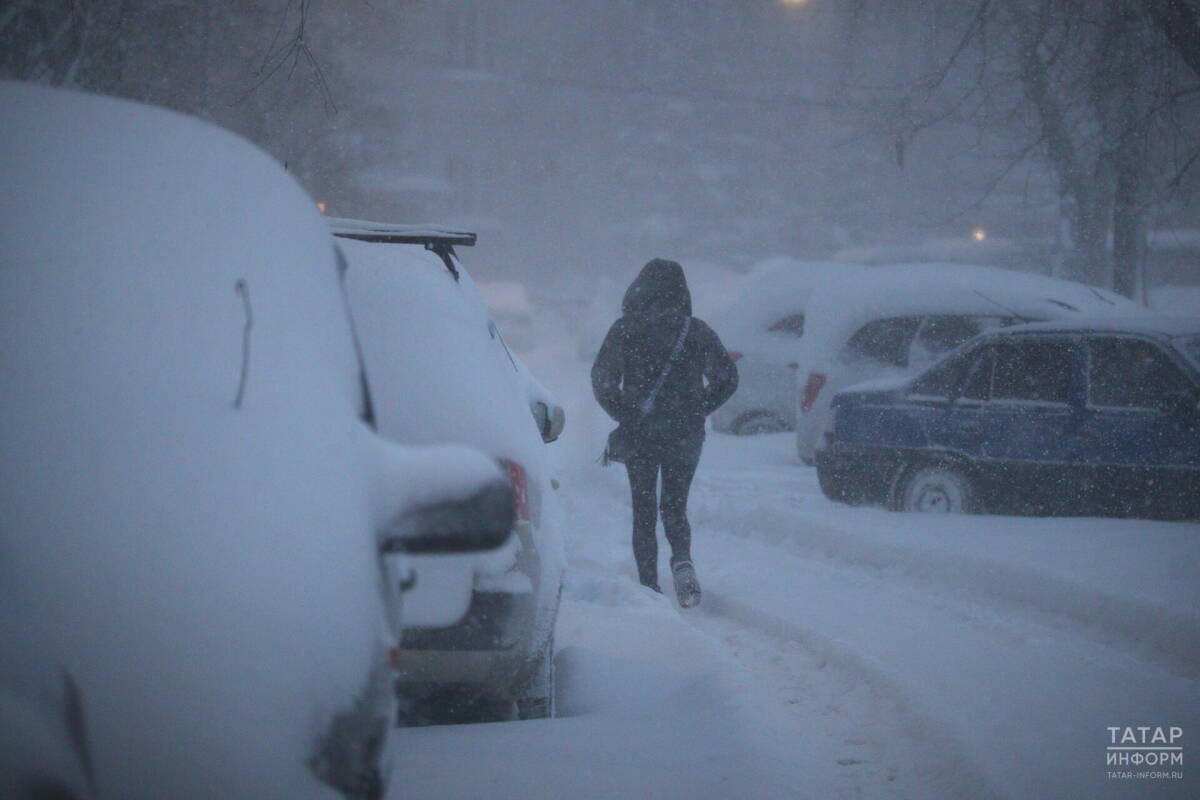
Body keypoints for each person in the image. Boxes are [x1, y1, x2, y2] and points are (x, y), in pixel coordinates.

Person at [591, 258, 738, 606]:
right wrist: (697, 408)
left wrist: (625, 413)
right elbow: (728, 378)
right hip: (685, 434)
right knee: (675, 506)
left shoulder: (626, 329)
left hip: (640, 434)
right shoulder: (696, 330)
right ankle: (683, 563)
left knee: (643, 510)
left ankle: (649, 587)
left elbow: (602, 378)